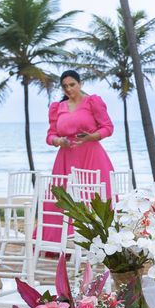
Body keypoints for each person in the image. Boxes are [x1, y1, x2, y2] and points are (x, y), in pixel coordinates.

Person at [45, 70, 114, 242]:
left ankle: (99, 242)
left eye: (72, 84)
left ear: (80, 83)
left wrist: (92, 137)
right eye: (65, 86)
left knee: (94, 198)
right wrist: (59, 141)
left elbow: (108, 127)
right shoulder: (57, 108)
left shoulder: (92, 102)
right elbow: (49, 136)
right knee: (62, 199)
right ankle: (61, 242)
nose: (68, 89)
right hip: (65, 160)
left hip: (92, 157)